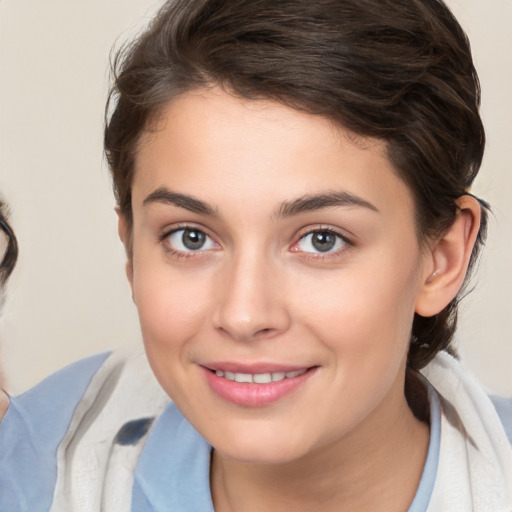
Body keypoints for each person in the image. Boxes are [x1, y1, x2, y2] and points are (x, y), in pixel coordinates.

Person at [1, 0, 511, 511]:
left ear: (441, 258)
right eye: (191, 238)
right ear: (131, 249)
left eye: (321, 240)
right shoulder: (30, 471)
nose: (244, 315)